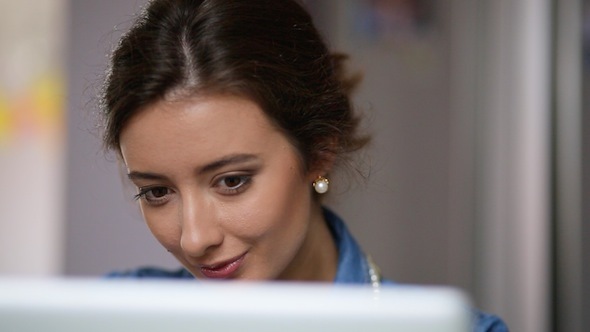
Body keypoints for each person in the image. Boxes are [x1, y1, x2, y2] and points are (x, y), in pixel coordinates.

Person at [101, 0, 508, 331]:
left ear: (318, 153)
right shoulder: (107, 317)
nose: (193, 238)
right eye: (157, 191)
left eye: (231, 181)